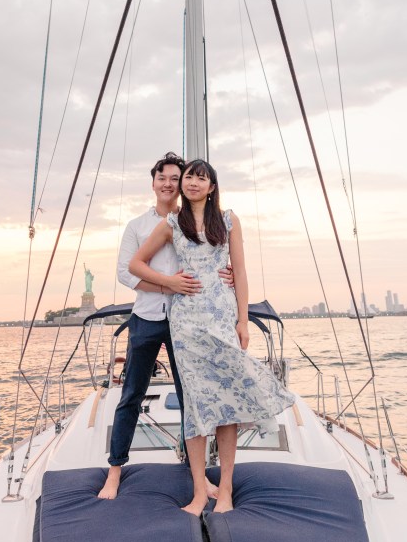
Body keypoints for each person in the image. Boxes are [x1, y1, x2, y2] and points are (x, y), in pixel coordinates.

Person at [129, 159, 295, 515]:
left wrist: (243, 321)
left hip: (221, 318)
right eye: (188, 177)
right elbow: (135, 264)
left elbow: (242, 272)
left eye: (200, 178)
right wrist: (170, 283)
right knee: (196, 407)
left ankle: (227, 492)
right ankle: (200, 494)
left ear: (212, 186)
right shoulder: (172, 223)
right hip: (186, 322)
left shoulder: (230, 221)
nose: (192, 183)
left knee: (228, 403)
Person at [98, 153, 232, 500]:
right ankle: (115, 471)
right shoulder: (138, 226)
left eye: (176, 177)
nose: (170, 184)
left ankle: (197, 477)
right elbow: (127, 271)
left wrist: (228, 276)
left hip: (188, 321)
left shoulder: (198, 221)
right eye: (164, 178)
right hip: (146, 316)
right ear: (154, 182)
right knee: (131, 394)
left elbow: (215, 259)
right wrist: (166, 285)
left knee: (194, 400)